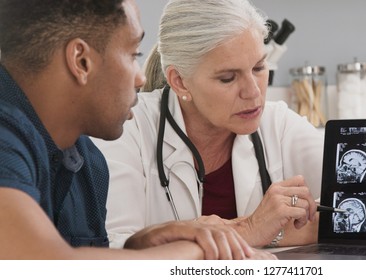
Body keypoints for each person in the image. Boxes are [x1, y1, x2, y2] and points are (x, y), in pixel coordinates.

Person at [0, 0, 274, 260]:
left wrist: (137, 247)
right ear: (81, 61)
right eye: (133, 55)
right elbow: (37, 265)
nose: (142, 78)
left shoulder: (86, 162)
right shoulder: (5, 140)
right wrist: (202, 251)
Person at [93, 0, 324, 249]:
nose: (253, 92)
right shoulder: (129, 128)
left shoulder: (277, 123)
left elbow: (363, 202)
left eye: (259, 67)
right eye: (228, 78)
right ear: (180, 81)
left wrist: (272, 233)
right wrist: (249, 230)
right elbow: (112, 248)